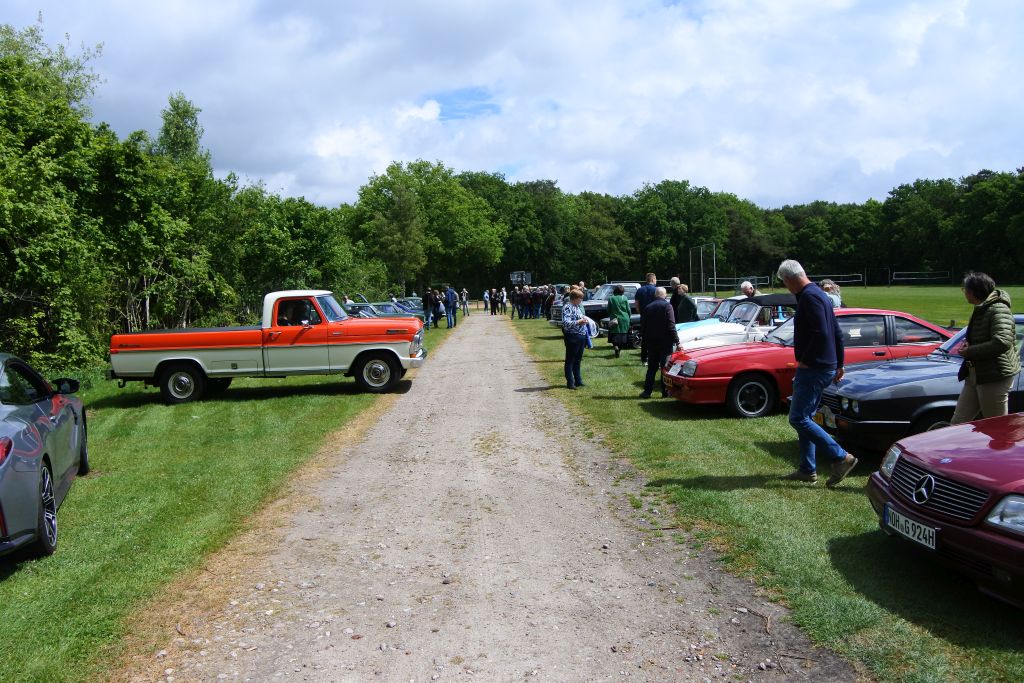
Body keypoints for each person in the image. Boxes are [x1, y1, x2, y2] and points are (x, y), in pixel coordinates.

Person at [777, 259, 858, 488]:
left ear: (790, 279)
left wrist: (804, 360)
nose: (786, 287)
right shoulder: (820, 294)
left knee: (798, 418)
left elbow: (821, 333)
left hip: (813, 368)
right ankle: (807, 469)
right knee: (806, 416)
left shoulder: (810, 297)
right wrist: (839, 363)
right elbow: (836, 332)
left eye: (784, 282)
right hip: (825, 365)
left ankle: (842, 457)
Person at [951, 272, 1020, 424]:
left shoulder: (998, 309)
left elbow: (1002, 342)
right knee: (957, 424)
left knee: (996, 428)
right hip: (975, 374)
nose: (964, 293)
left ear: (974, 291)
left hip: (994, 376)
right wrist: (970, 346)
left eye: (965, 289)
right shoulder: (982, 307)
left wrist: (970, 351)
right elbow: (984, 337)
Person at [639, 287, 678, 398]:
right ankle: (665, 392)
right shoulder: (667, 306)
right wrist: (677, 341)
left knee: (651, 368)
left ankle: (647, 391)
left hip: (651, 341)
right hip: (665, 342)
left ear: (655, 295)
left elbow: (644, 326)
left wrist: (644, 342)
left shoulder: (648, 307)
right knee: (664, 368)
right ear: (665, 295)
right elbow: (671, 325)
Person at [561, 288, 591, 389]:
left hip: (581, 336)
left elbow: (579, 317)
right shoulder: (567, 307)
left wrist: (584, 320)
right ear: (575, 298)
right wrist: (579, 322)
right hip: (572, 336)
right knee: (570, 360)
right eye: (580, 298)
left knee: (578, 360)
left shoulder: (577, 307)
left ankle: (578, 380)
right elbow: (566, 323)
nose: (581, 300)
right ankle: (570, 382)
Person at [606, 284, 631, 358]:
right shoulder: (625, 298)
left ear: (615, 290)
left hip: (614, 319)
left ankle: (616, 346)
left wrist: (611, 314)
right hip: (624, 318)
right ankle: (619, 349)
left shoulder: (611, 298)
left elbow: (608, 310)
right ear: (623, 291)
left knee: (614, 334)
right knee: (623, 335)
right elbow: (628, 310)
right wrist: (628, 317)